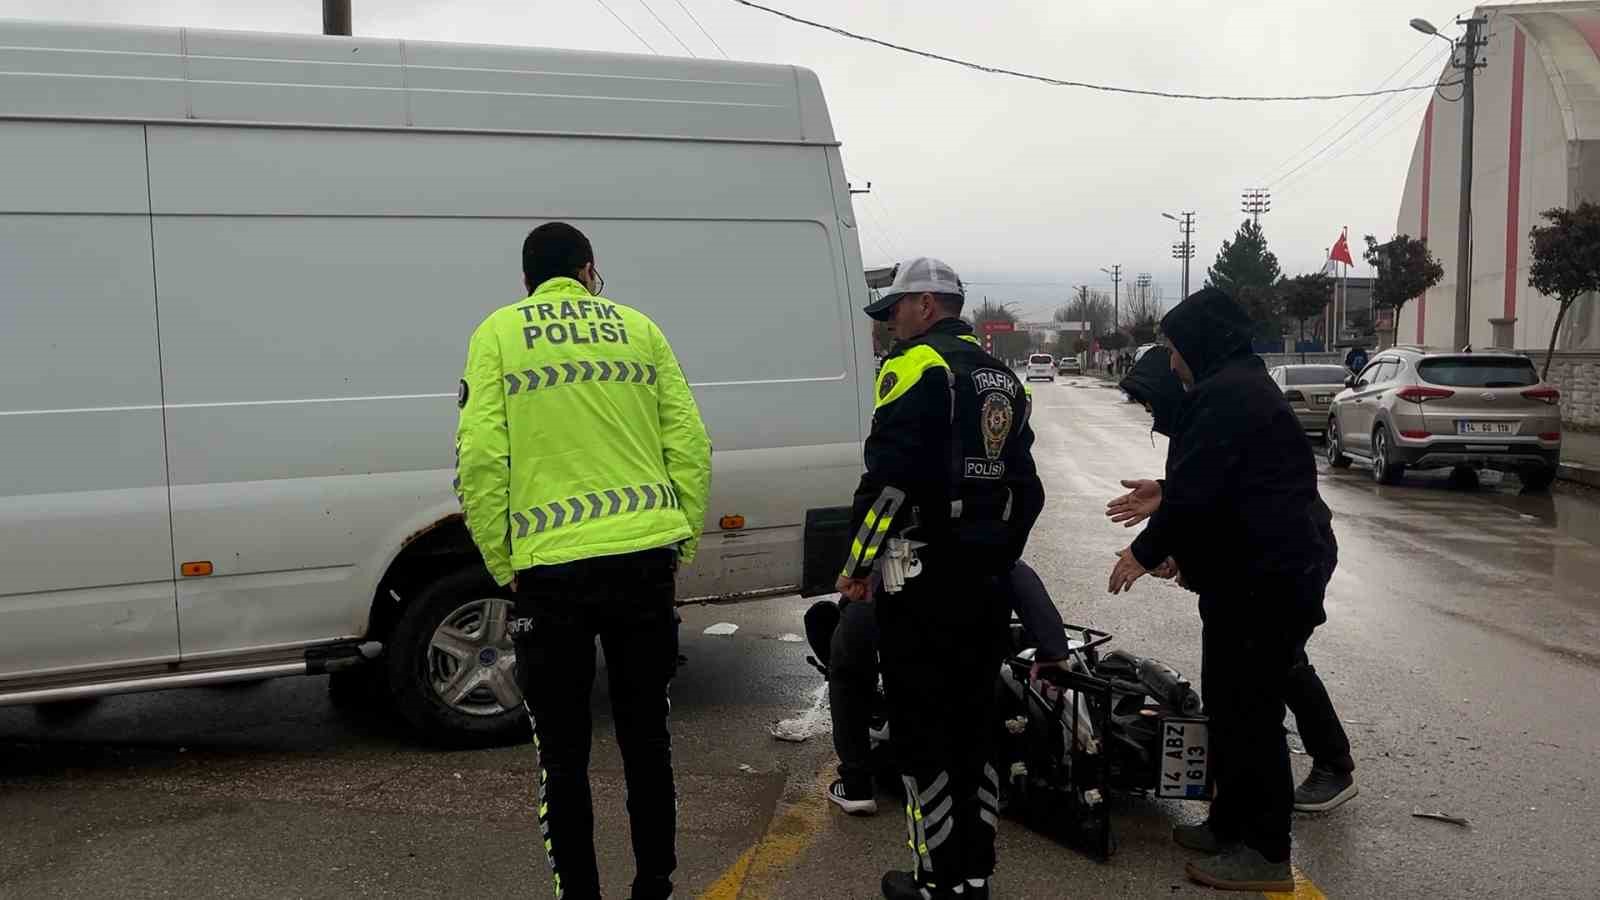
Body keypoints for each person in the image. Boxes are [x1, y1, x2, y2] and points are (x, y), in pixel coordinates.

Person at [455, 222, 712, 900]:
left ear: (527, 280)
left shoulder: (499, 334)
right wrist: (678, 538)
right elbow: (690, 442)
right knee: (646, 740)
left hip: (550, 575)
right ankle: (654, 887)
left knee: (562, 755)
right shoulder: (640, 329)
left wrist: (501, 559)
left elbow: (481, 459)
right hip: (642, 565)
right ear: (590, 270)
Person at [1103, 288, 1337, 893]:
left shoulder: (1228, 394)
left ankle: (1265, 853)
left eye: (1176, 349)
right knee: (1230, 709)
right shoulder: (1231, 388)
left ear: (1202, 344)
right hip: (1245, 582)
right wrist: (1164, 489)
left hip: (1270, 583)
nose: (1173, 361)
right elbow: (1216, 477)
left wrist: (1143, 551)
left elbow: (1202, 493)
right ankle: (1229, 822)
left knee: (1254, 718)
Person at [836, 257, 1044, 900]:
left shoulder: (915, 366)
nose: (890, 326)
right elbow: (1028, 491)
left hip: (919, 583)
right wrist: (995, 555)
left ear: (927, 304)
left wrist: (856, 567)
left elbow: (889, 485)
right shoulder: (1003, 377)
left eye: (894, 310)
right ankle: (975, 876)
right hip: (983, 585)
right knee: (975, 729)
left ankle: (934, 881)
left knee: (922, 732)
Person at [1116, 346, 1357, 814]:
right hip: (1263, 555)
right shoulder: (1203, 419)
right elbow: (1215, 493)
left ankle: (1332, 763)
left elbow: (1220, 497)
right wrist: (1176, 535)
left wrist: (1162, 548)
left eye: (1150, 402)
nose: (1150, 414)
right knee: (1266, 665)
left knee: (1277, 663)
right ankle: (1273, 776)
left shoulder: (1219, 409)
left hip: (1290, 553)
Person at [816, 560, 1073, 817]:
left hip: (895, 596)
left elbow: (869, 539)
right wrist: (1053, 648)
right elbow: (1015, 570)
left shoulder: (908, 529)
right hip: (970, 629)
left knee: (847, 669)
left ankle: (855, 786)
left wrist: (854, 574)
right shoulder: (990, 532)